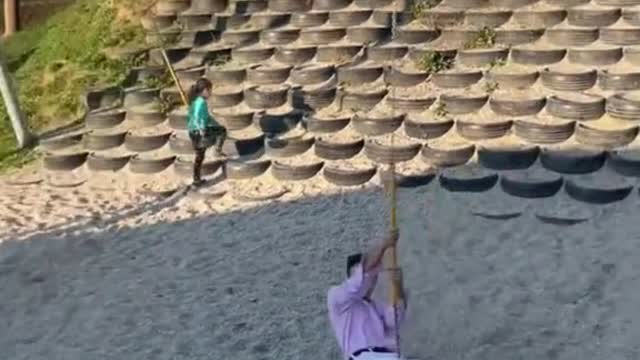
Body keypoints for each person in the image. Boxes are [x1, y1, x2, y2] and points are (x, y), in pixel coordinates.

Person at [328, 229, 407, 360]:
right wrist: (384, 244)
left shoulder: (375, 306)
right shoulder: (337, 297)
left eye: (374, 275)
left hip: (388, 355)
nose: (372, 278)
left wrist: (397, 286)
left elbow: (395, 321)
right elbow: (359, 281)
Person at [186, 78, 227, 186]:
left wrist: (216, 124)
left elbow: (206, 117)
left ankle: (196, 180)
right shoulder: (201, 103)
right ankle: (217, 151)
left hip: (192, 131)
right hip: (198, 132)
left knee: (199, 156)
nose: (211, 93)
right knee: (222, 131)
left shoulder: (195, 101)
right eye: (210, 90)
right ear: (204, 90)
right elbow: (196, 117)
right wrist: (201, 128)